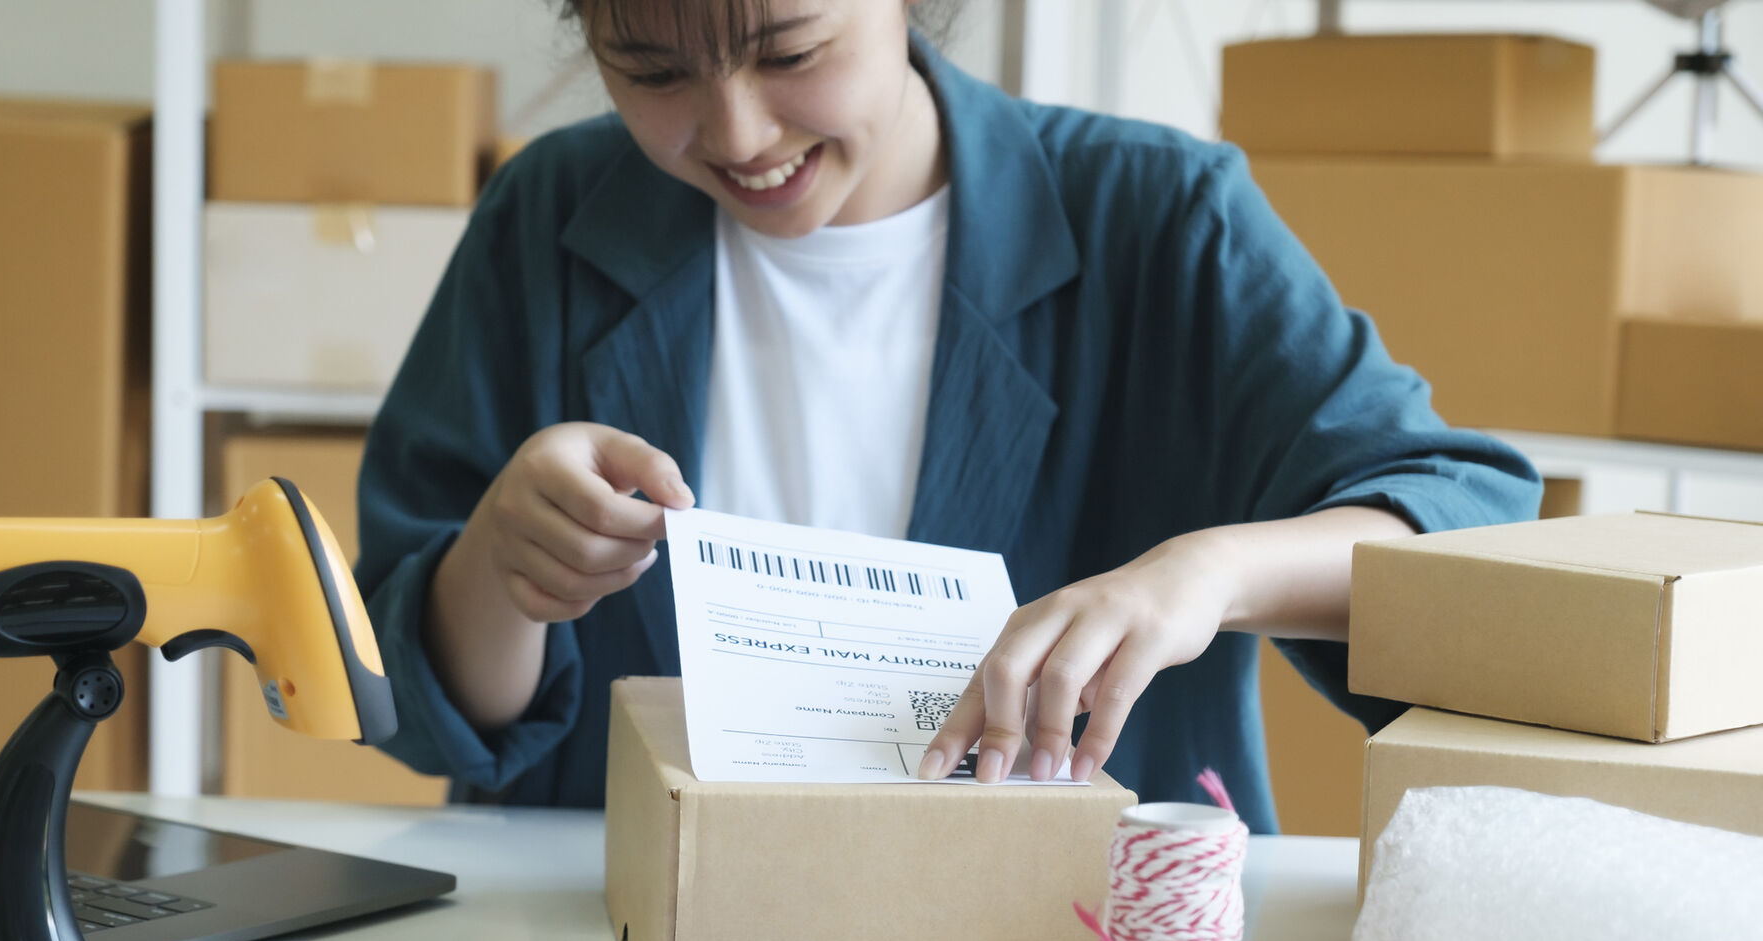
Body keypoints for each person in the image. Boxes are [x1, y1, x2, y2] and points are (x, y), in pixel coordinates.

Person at [354, 0, 1540, 833]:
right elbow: (414, 695)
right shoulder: (546, 217)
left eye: (791, 50)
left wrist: (1208, 575)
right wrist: (499, 572)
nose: (737, 134)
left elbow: (1470, 537)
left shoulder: (1160, 219)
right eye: (653, 71)